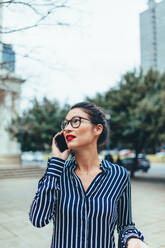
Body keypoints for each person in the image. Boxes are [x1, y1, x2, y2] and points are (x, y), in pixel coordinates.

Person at [29, 101, 148, 248]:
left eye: (75, 121)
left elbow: (125, 225)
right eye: (65, 124)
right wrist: (56, 162)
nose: (67, 128)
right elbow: (38, 219)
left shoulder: (119, 175)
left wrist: (133, 239)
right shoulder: (57, 173)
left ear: (97, 129)